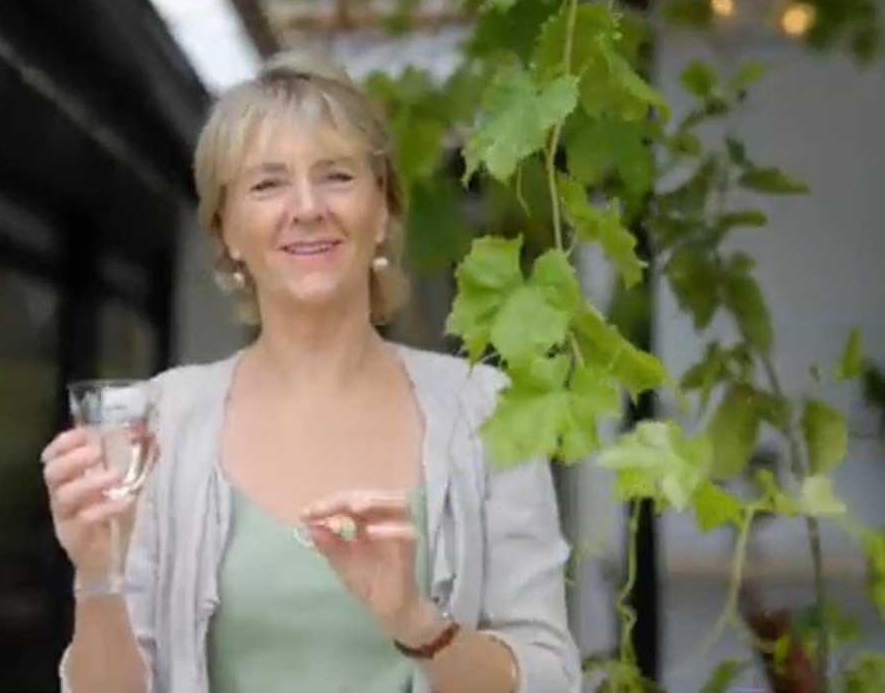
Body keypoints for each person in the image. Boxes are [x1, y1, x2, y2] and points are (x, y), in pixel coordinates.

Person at [42, 50, 580, 693]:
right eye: (267, 184)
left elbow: (551, 678)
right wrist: (97, 576)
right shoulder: (163, 421)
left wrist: (417, 622)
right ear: (227, 232)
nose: (306, 207)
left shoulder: (483, 408)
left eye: (337, 176)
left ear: (384, 213)